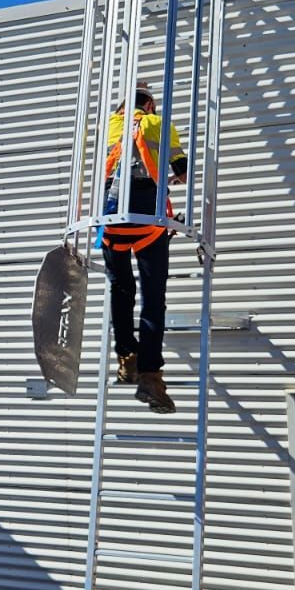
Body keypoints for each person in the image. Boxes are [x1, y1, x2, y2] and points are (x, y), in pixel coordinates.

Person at [100, 84, 186, 413]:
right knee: (153, 298)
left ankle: (127, 359)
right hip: (147, 221)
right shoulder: (157, 124)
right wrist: (175, 175)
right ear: (148, 104)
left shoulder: (108, 126)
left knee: (121, 290)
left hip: (112, 220)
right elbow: (181, 167)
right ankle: (151, 376)